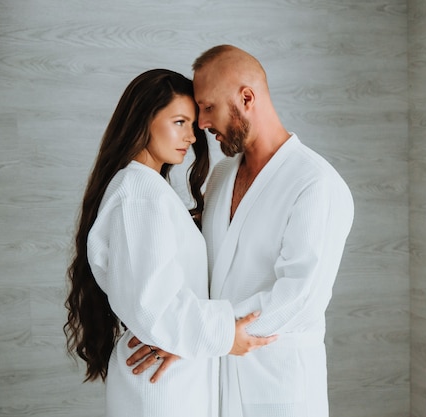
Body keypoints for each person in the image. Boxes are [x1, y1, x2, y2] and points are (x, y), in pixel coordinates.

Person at [132, 45, 355, 417]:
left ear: (246, 98)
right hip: (215, 379)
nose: (201, 124)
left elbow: (299, 298)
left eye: (207, 107)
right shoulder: (221, 176)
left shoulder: (315, 184)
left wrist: (199, 335)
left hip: (277, 385)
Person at [63, 68, 275, 417]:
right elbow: (153, 306)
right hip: (162, 387)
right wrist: (225, 334)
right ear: (144, 120)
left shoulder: (148, 189)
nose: (191, 137)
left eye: (192, 125)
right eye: (179, 122)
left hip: (173, 373)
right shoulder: (140, 193)